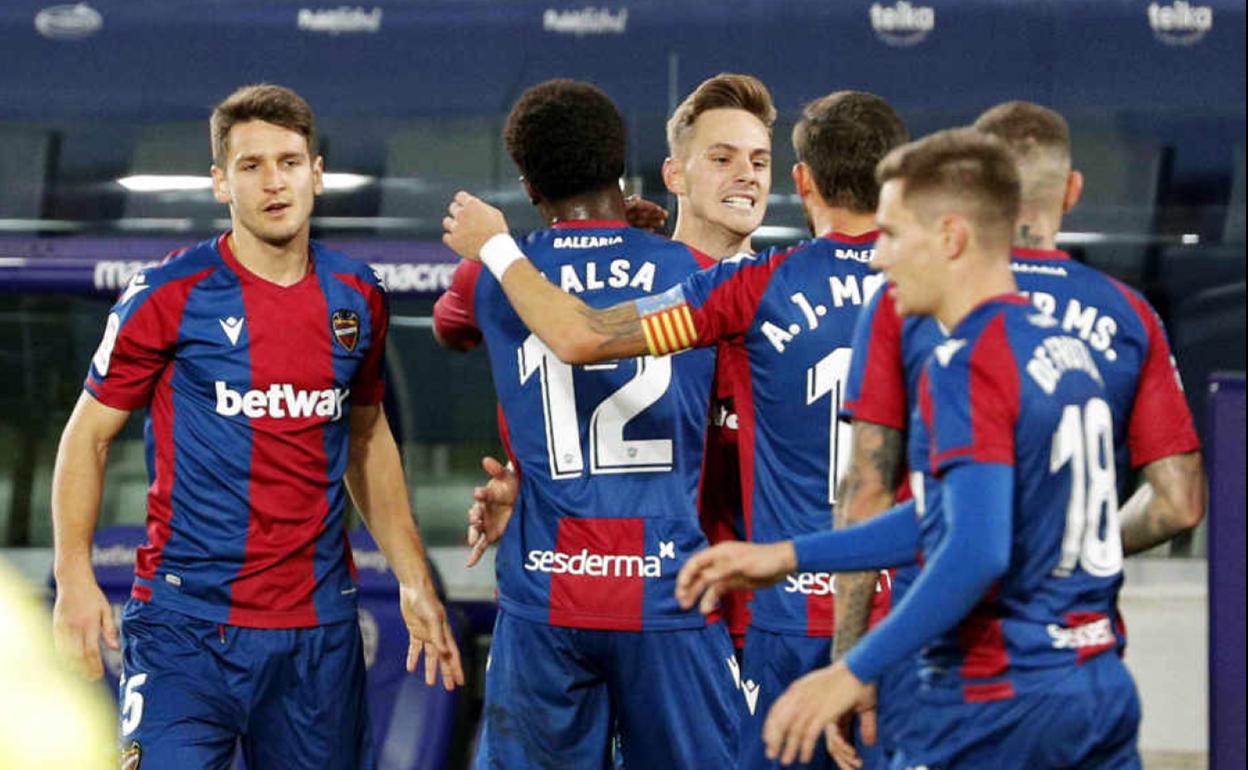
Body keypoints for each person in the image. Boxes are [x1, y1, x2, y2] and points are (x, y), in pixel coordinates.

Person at [675, 127, 1195, 769]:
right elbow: (946, 517)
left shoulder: (967, 363)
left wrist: (851, 669)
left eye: (894, 236)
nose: (877, 258)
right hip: (1095, 685)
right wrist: (788, 554)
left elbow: (974, 551)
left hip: (997, 700)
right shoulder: (1059, 347)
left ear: (951, 237)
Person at [441, 89, 909, 770]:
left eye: (758, 159)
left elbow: (569, 335)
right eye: (722, 157)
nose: (745, 174)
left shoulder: (747, 291)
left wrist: (501, 250)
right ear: (669, 173)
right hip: (772, 610)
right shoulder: (934, 295)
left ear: (798, 179)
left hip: (736, 611)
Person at [50, 83, 462, 770]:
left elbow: (367, 438)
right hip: (184, 630)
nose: (275, 182)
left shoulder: (356, 296)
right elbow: (85, 437)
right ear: (220, 183)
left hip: (318, 633)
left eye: (290, 162)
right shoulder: (167, 296)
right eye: (251, 166)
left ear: (318, 174)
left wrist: (414, 574)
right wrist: (73, 577)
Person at [826, 101, 1206, 769]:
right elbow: (1178, 502)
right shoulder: (1129, 314)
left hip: (952, 670)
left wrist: (848, 661)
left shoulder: (910, 306)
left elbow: (866, 488)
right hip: (1084, 662)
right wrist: (1065, 536)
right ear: (1073, 190)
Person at [434, 78, 741, 769]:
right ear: (621, 161)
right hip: (670, 591)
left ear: (527, 182)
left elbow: (451, 330)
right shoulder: (696, 271)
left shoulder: (492, 278)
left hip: (548, 589)